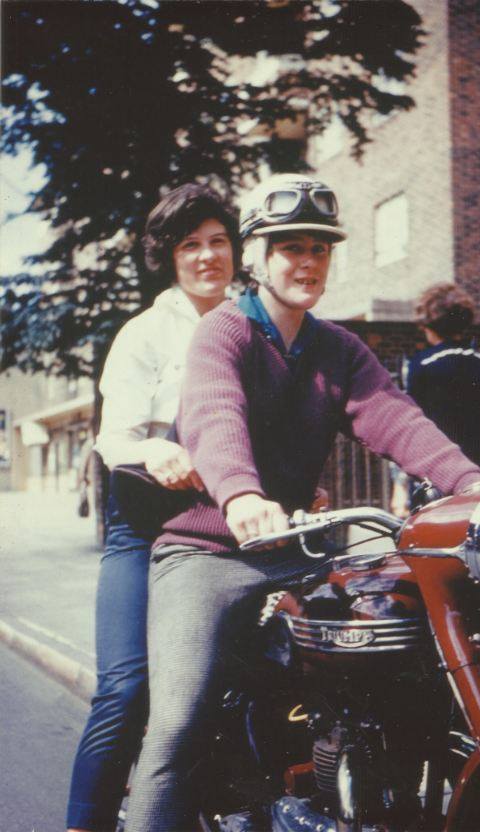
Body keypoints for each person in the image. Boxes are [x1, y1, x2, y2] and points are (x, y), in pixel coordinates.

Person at [123, 174, 480, 832]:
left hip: (294, 547)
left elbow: (395, 418)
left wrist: (474, 486)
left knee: (400, 658)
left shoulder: (337, 348)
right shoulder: (223, 332)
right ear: (256, 257)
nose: (308, 262)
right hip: (207, 551)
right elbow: (214, 416)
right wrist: (240, 494)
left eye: (319, 248)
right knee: (178, 722)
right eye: (290, 247)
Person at [66, 183, 240, 832]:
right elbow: (112, 439)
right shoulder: (144, 334)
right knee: (127, 689)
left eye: (218, 240)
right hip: (145, 529)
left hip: (228, 529)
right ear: (169, 257)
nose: (207, 255)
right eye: (190, 244)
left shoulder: (253, 322)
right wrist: (153, 450)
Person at [390, 283, 480, 516]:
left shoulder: (420, 366)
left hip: (433, 479)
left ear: (428, 325)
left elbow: (410, 427)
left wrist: (400, 484)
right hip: (479, 479)